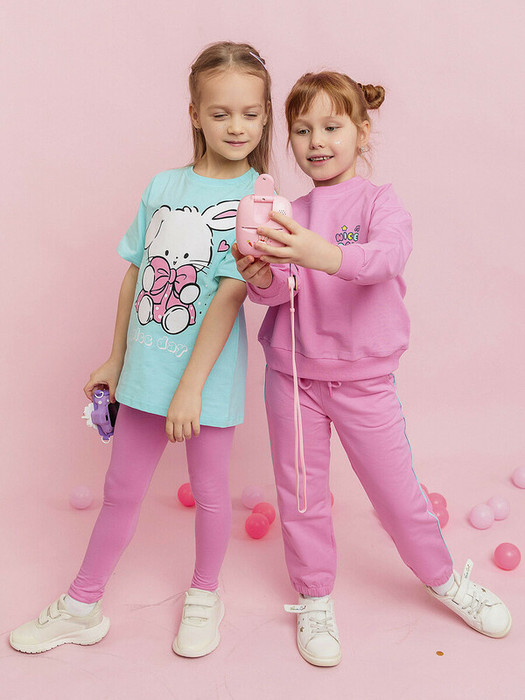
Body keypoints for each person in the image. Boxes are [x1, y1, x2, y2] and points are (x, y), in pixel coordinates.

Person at [233, 71, 511, 667]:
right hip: (293, 377)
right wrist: (259, 277)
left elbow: (385, 259)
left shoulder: (381, 202)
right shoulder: (288, 210)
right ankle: (314, 597)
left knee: (397, 494)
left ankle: (444, 579)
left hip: (364, 380)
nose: (316, 141)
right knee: (301, 496)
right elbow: (283, 291)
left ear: (361, 132)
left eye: (332, 127)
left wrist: (319, 252)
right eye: (302, 130)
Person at [10, 41, 273, 658]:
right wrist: (116, 358)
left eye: (250, 113)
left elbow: (231, 294)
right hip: (146, 372)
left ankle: (205, 594)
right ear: (195, 114)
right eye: (221, 113)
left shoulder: (258, 203)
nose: (236, 126)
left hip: (205, 380)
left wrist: (191, 389)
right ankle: (82, 605)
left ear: (265, 117)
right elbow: (137, 272)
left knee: (211, 493)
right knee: (121, 492)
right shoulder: (162, 185)